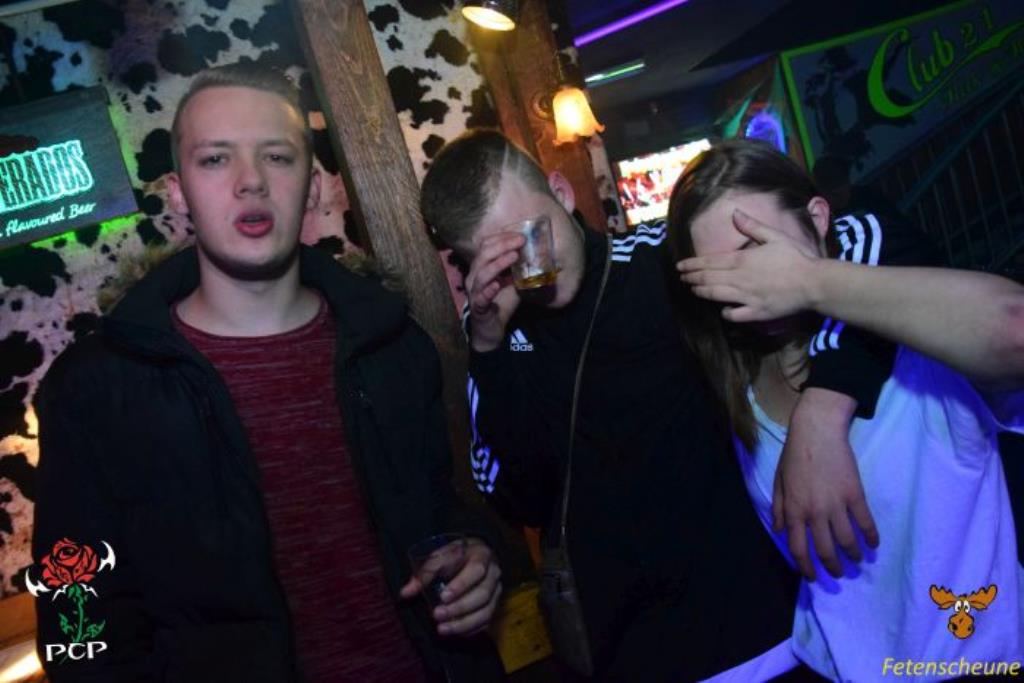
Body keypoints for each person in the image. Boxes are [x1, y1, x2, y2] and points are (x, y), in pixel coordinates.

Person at [30, 63, 504, 682]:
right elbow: (76, 619)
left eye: (277, 157)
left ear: (313, 185)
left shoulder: (393, 347)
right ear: (178, 194)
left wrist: (477, 555)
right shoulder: (95, 389)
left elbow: (441, 507)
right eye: (215, 159)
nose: (250, 181)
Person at [419, 130, 913, 681]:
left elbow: (865, 238)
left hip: (766, 633)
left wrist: (824, 407)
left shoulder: (657, 259)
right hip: (630, 658)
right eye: (496, 258)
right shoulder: (494, 332)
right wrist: (489, 349)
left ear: (561, 192)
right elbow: (519, 499)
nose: (529, 264)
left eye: (532, 234)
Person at [671, 138, 1023, 680]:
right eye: (719, 274)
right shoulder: (738, 382)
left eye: (756, 252)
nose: (744, 285)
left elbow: (1014, 330)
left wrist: (811, 285)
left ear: (818, 218)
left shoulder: (914, 346)